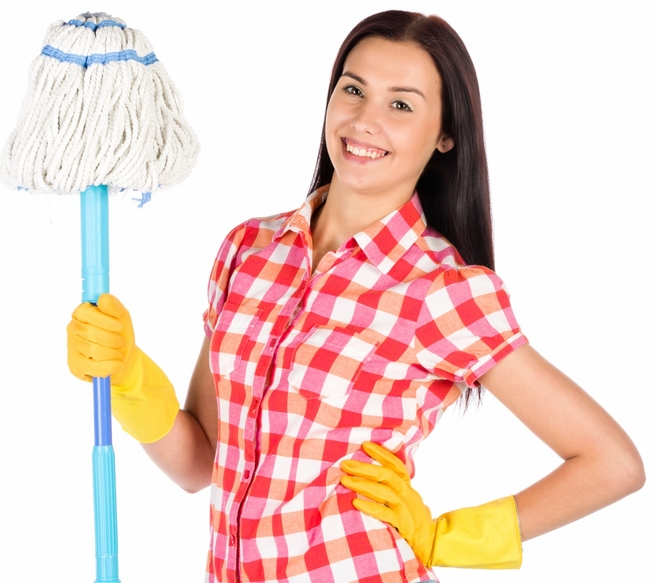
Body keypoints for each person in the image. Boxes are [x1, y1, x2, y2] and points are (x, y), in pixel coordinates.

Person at [66, 10, 645, 583]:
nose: (365, 120)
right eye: (353, 89)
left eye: (400, 104)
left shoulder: (441, 291)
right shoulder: (249, 250)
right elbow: (200, 464)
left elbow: (611, 464)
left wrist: (446, 536)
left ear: (446, 135)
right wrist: (128, 378)